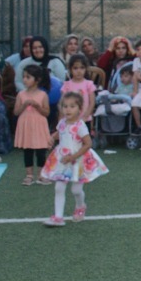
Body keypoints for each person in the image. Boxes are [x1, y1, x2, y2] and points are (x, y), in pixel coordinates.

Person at [41, 90, 108, 227]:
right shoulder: (62, 123)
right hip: (63, 159)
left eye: (72, 106)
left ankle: (80, 206)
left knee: (76, 190)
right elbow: (60, 133)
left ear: (79, 108)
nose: (68, 109)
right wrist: (52, 138)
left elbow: (88, 143)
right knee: (59, 188)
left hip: (78, 161)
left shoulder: (80, 126)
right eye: (65, 106)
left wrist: (73, 156)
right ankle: (58, 217)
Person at [14, 64, 52, 187]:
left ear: (37, 79)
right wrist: (24, 105)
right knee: (28, 150)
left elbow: (46, 112)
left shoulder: (43, 95)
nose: (24, 80)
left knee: (41, 150)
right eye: (24, 77)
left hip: (39, 126)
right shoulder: (21, 94)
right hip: (26, 125)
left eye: (28, 77)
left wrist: (37, 106)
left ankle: (41, 174)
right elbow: (16, 112)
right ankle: (29, 175)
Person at [63, 55, 98, 129]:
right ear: (70, 69)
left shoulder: (89, 84)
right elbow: (62, 102)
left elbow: (92, 102)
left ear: (86, 69)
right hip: (70, 119)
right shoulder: (67, 85)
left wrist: (86, 116)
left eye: (82, 68)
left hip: (85, 120)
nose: (79, 71)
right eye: (75, 68)